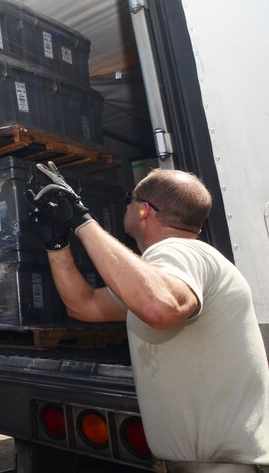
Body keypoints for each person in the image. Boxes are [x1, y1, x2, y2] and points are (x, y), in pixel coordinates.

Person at [27, 162, 269, 469]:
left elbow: (159, 307)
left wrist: (80, 218)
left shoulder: (178, 251)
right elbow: (84, 305)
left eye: (129, 198)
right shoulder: (167, 272)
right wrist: (56, 243)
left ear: (143, 210)